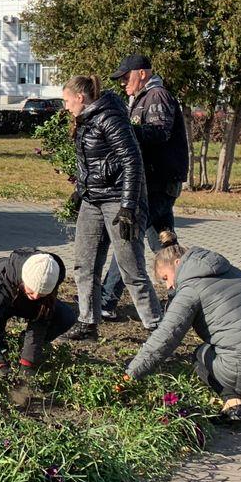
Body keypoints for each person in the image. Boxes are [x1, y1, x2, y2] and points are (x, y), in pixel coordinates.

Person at [126, 244, 241, 426]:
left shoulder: (191, 288)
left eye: (166, 278)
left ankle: (232, 406)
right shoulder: (231, 271)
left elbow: (166, 337)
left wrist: (131, 374)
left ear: (177, 262)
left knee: (201, 354)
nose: (168, 286)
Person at [60, 74, 161, 341]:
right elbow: (92, 164)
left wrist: (128, 207)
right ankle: (87, 322)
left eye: (67, 101)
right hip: (93, 201)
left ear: (80, 98)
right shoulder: (84, 120)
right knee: (85, 263)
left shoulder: (109, 117)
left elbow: (132, 160)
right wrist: (79, 191)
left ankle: (155, 327)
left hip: (119, 200)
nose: (66, 107)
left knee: (131, 268)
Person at [102, 55, 188, 320]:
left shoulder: (157, 96)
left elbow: (160, 133)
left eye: (125, 78)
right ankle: (183, 294)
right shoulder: (144, 97)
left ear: (141, 73)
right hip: (156, 182)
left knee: (129, 237)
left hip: (158, 183)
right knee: (164, 244)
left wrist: (123, 132)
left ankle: (105, 300)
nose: (123, 84)